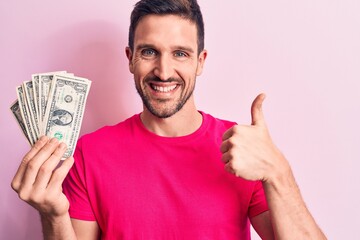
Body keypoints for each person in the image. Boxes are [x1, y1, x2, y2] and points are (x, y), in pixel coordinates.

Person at [11, 0, 327, 239]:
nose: (163, 71)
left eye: (180, 53)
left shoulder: (243, 149)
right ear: (130, 58)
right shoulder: (87, 155)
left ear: (200, 61)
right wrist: (54, 216)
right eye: (149, 52)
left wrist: (278, 172)